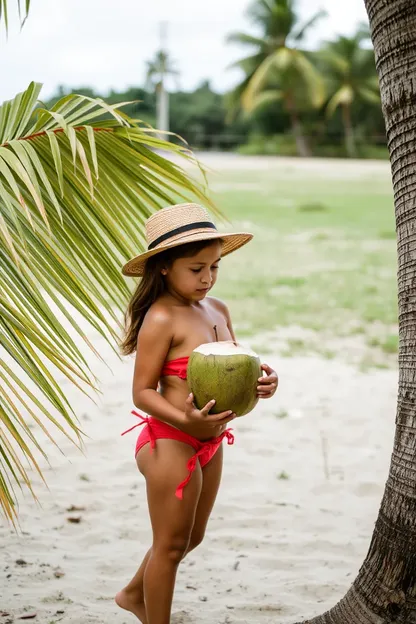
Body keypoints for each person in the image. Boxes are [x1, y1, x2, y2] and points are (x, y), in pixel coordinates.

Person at [115, 203, 278, 623]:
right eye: (196, 268)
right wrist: (186, 421)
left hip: (211, 440)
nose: (207, 278)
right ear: (165, 268)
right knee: (169, 546)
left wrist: (263, 384)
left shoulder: (218, 310)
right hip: (170, 439)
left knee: (191, 538)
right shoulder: (162, 317)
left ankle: (134, 594)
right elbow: (141, 392)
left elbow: (235, 365)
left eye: (215, 267)